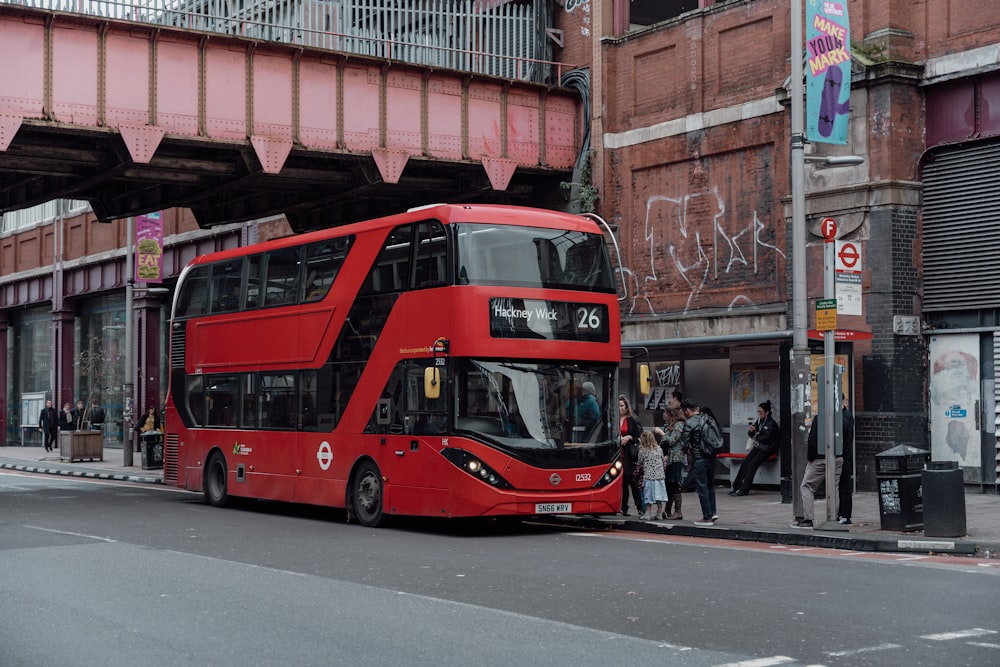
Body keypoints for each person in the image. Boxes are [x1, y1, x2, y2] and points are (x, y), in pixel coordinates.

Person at [794, 395, 853, 528]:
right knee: (834, 488)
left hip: (820, 458)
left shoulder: (821, 418)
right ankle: (834, 517)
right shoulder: (846, 417)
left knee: (807, 487)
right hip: (839, 457)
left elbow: (812, 440)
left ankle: (808, 519)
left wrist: (810, 457)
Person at [680, 398, 718, 526]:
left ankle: (707, 517)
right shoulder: (708, 419)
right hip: (712, 457)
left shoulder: (689, 422)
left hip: (699, 458)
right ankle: (713, 512)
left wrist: (688, 450)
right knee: (710, 486)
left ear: (687, 411)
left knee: (702, 487)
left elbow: (683, 443)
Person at [730, 399, 780, 496]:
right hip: (759, 447)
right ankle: (736, 486)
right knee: (745, 462)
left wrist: (757, 433)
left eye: (761, 412)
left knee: (752, 465)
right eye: (758, 412)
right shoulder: (759, 421)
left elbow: (766, 438)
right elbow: (751, 435)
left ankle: (744, 489)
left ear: (767, 412)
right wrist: (752, 431)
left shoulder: (771, 424)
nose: (759, 414)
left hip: (767, 449)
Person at [655, 406, 687, 520]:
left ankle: (678, 511)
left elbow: (672, 440)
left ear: (671, 415)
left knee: (674, 483)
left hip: (675, 458)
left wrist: (661, 433)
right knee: (668, 484)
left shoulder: (679, 425)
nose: (664, 415)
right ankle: (667, 510)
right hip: (667, 459)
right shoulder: (668, 426)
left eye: (665, 413)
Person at [617, 394, 644, 516]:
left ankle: (640, 507)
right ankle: (623, 508)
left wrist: (629, 437)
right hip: (616, 455)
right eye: (618, 406)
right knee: (621, 482)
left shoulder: (632, 420)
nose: (620, 408)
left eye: (622, 406)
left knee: (631, 481)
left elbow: (639, 437)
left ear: (626, 406)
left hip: (628, 455)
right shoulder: (613, 419)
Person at [637, 430, 667, 520]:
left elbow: (639, 462)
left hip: (649, 476)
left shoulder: (643, 450)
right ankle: (659, 513)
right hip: (659, 476)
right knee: (659, 496)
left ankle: (648, 513)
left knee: (648, 496)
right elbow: (662, 459)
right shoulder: (659, 449)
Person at [838, 396, 856, 525]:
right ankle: (840, 513)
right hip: (842, 455)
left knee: (844, 487)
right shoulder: (843, 415)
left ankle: (845, 515)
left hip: (845, 456)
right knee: (841, 487)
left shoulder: (846, 416)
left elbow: (846, 433)